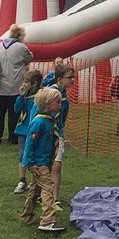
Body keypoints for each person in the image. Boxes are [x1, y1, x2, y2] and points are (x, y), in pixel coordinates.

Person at [19, 86, 64, 232]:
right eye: (57, 102)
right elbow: (29, 144)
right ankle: (47, 221)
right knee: (48, 188)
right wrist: (30, 164)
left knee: (35, 190)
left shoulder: (49, 121)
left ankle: (26, 216)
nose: (60, 104)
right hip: (38, 163)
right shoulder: (39, 122)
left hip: (44, 161)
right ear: (47, 104)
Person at [0, 24, 33, 145]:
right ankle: (13, 138)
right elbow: (30, 58)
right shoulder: (21, 47)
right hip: (15, 85)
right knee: (14, 113)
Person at [45, 62, 76, 211]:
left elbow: (62, 119)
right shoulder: (50, 93)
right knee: (44, 166)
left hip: (58, 134)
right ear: (59, 79)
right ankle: (42, 194)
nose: (73, 80)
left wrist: (60, 135)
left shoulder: (65, 98)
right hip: (46, 134)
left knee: (56, 166)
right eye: (70, 77)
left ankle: (54, 198)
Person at [12, 69, 44, 194]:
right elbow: (16, 110)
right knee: (22, 154)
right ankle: (22, 180)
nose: (24, 84)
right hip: (23, 130)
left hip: (35, 130)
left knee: (35, 155)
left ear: (34, 83)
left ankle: (36, 181)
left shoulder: (40, 96)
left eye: (26, 82)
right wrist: (20, 97)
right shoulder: (24, 95)